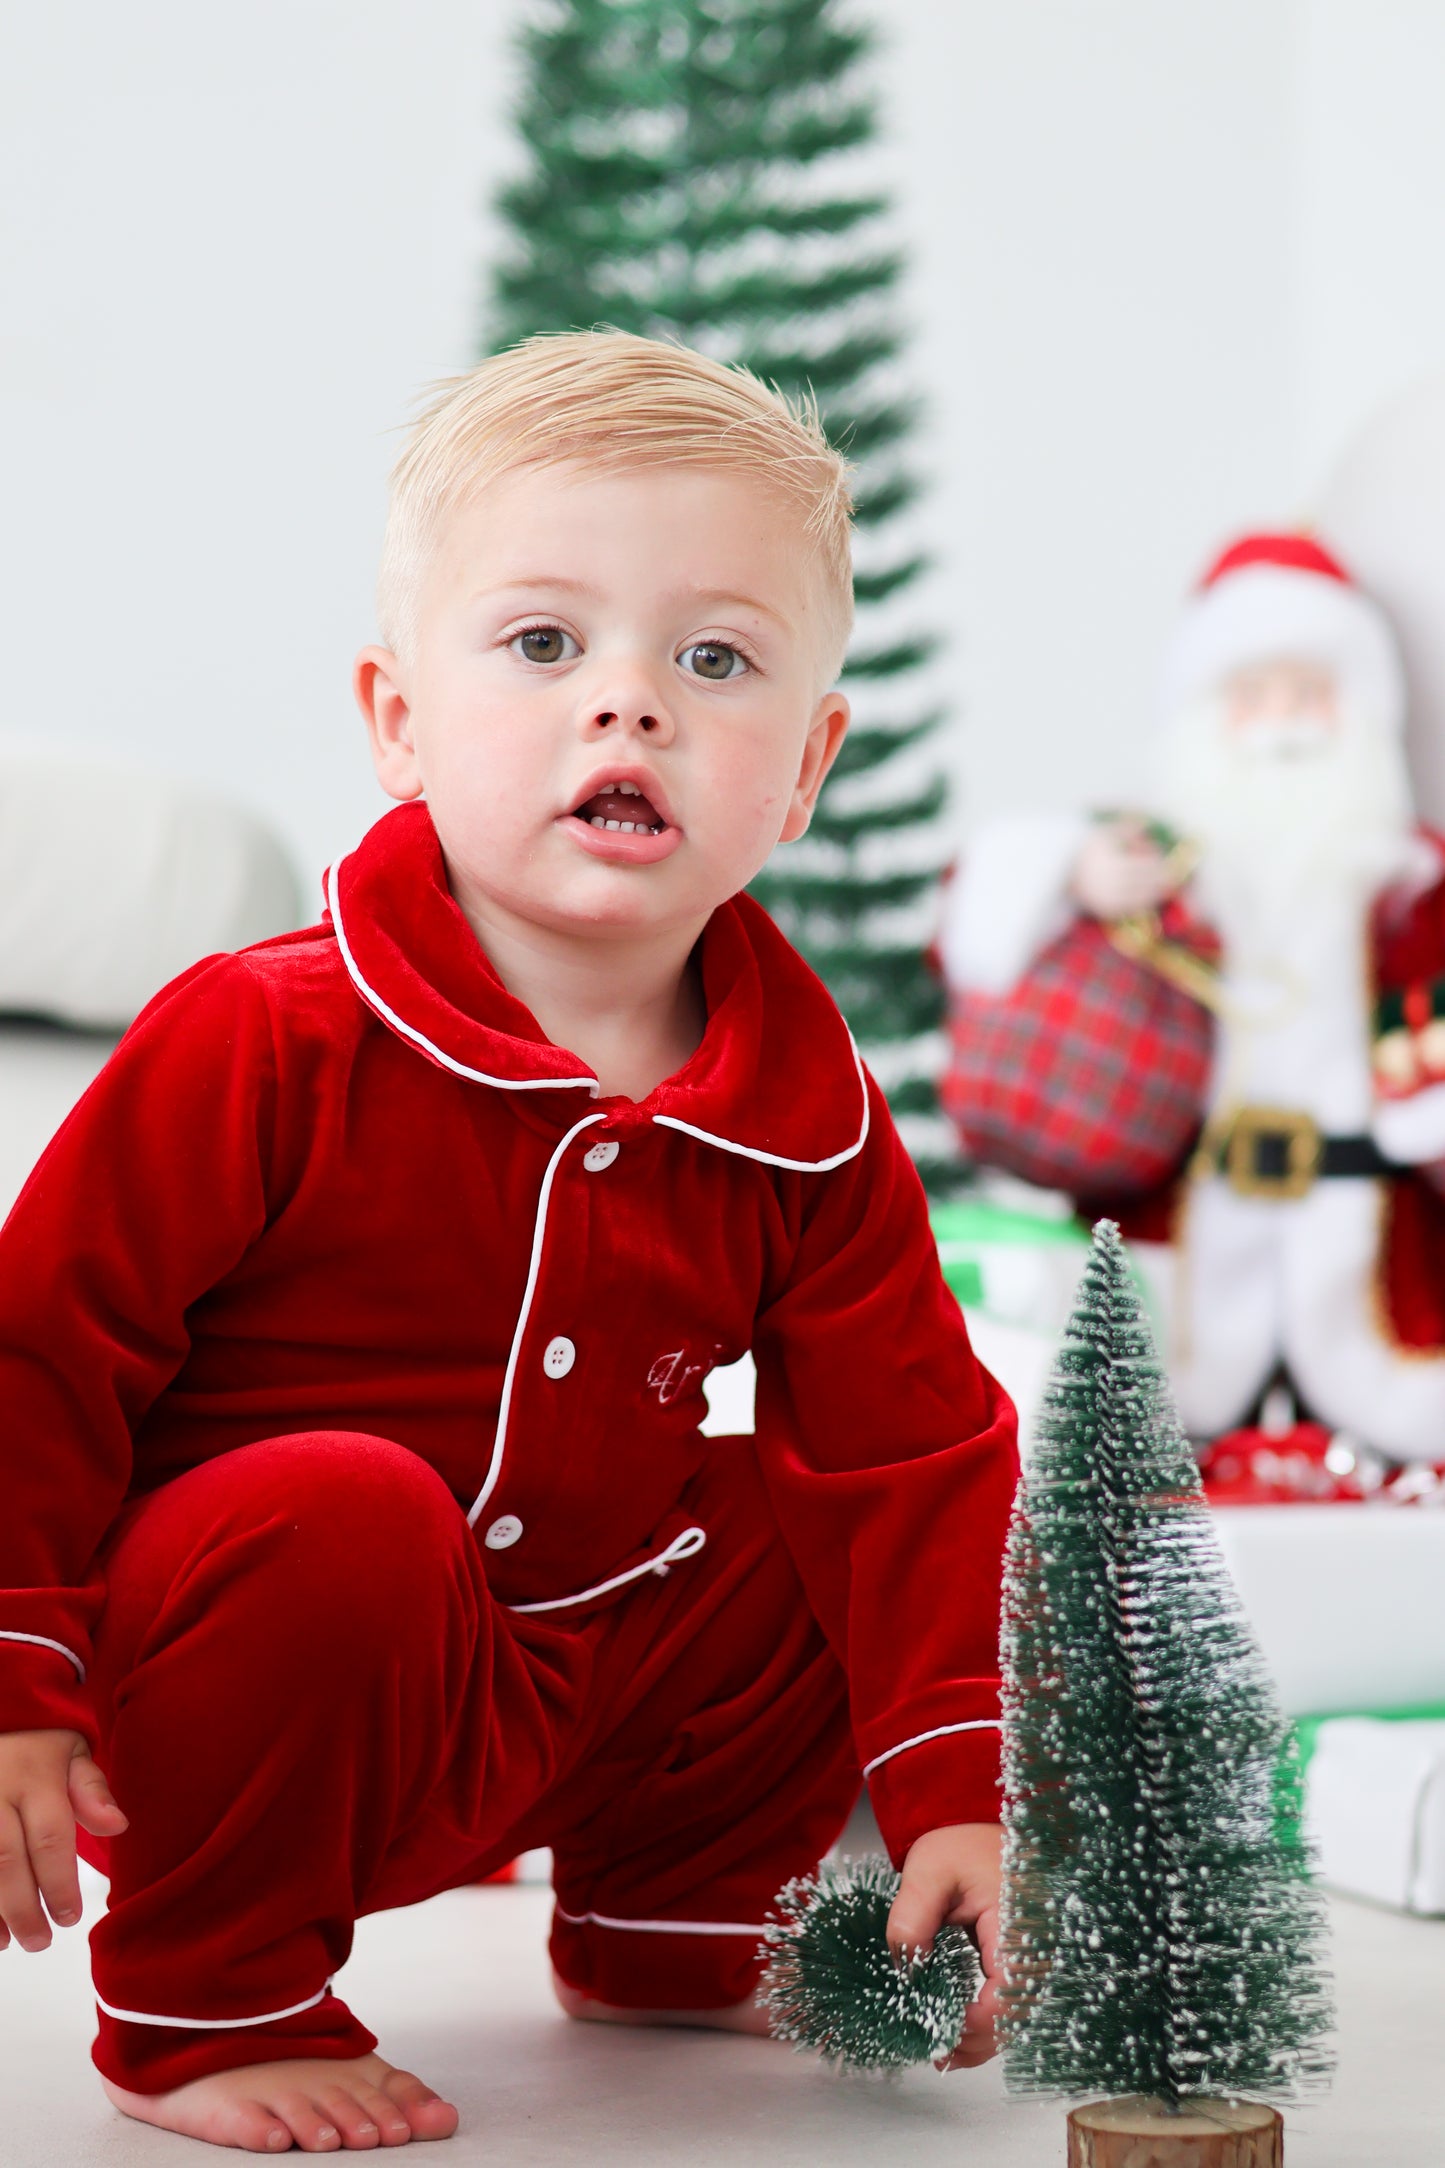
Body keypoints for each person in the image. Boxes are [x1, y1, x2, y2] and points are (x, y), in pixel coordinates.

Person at [0, 331, 1018, 2153]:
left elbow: (916, 1452)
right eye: (545, 644)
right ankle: (211, 1992)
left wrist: (959, 1789)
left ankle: (677, 1918)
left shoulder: (806, 1112)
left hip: (571, 1685)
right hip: (256, 1700)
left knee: (801, 1501)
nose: (628, 707)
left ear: (804, 767)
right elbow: (39, 1346)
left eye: (714, 660)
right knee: (343, 1508)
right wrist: (18, 1672)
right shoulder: (266, 1035)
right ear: (398, 718)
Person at [941, 531, 1445, 1463]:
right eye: (1252, 696)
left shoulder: (1409, 880)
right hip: (1187, 1218)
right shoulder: (1156, 862)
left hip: (1369, 1238)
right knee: (1133, 1450)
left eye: (1309, 694)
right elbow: (975, 916)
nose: (1283, 723)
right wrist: (1072, 872)